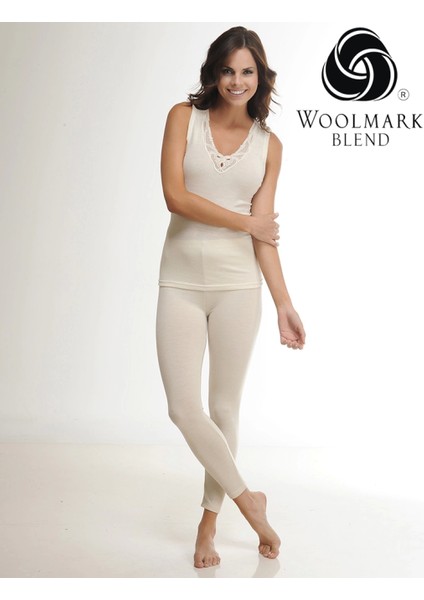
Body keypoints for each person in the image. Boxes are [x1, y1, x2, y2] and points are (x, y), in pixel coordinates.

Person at [155, 25, 306, 569]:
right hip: (180, 281)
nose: (237, 81)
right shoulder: (183, 118)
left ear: (260, 77)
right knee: (182, 407)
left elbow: (265, 237)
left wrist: (284, 303)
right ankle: (250, 503)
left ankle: (209, 523)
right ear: (214, 73)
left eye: (247, 72)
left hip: (239, 287)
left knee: (223, 409)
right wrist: (246, 222)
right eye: (228, 70)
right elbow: (175, 197)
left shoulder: (270, 146)